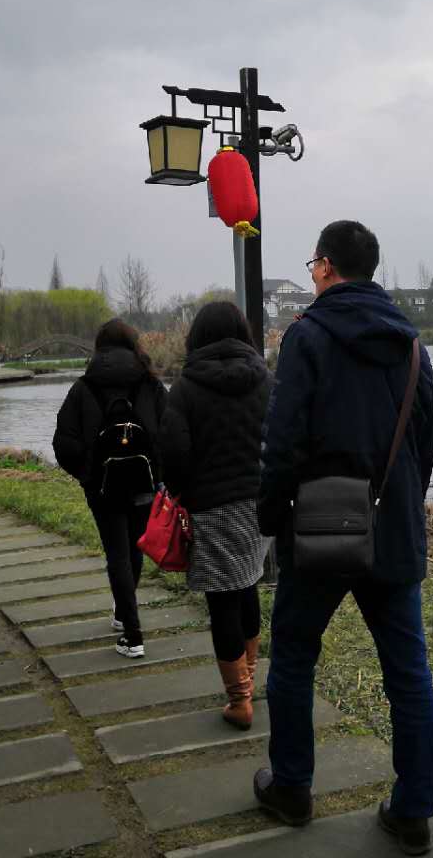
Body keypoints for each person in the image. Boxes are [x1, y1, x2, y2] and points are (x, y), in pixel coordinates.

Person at [254, 220, 433, 856]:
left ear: (327, 267)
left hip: (319, 531)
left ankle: (292, 788)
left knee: (293, 656)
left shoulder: (305, 337)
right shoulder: (411, 344)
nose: (311, 273)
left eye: (313, 264)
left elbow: (282, 439)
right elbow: (425, 441)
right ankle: (413, 813)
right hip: (393, 531)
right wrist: (401, 505)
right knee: (408, 673)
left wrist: (272, 516)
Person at [158, 301, 272, 729]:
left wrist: (181, 491)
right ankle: (249, 681)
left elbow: (173, 453)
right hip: (259, 505)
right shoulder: (266, 380)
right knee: (248, 584)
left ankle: (240, 700)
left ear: (197, 337)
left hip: (211, 507)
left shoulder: (185, 388)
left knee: (222, 598)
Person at [53, 318, 167, 658]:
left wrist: (87, 473)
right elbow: (171, 432)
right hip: (144, 482)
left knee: (117, 553)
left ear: (99, 348)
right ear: (134, 345)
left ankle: (132, 633)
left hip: (102, 488)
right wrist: (160, 473)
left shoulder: (84, 387)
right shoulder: (150, 384)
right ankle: (124, 615)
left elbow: (64, 443)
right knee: (135, 548)